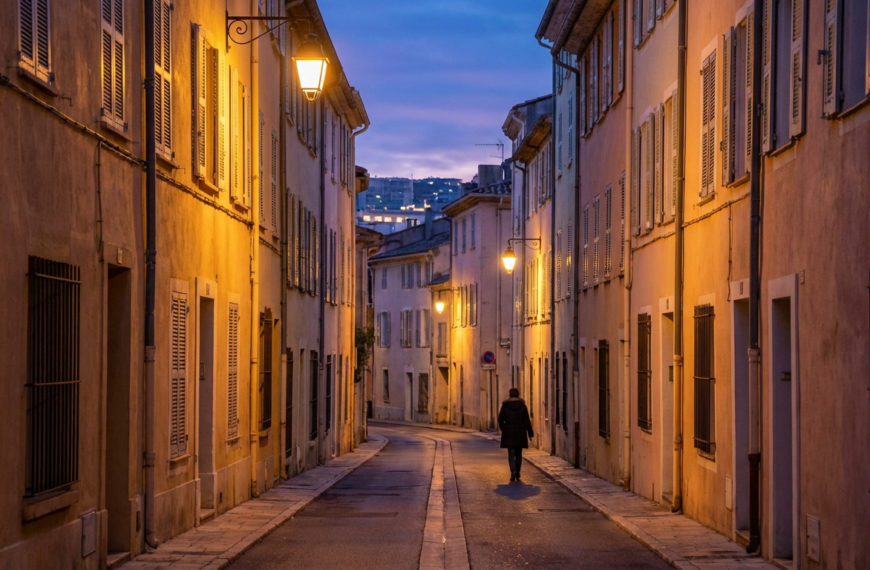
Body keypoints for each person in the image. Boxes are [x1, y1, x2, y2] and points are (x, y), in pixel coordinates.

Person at [498, 387, 534, 482]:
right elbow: (527, 420)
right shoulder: (522, 406)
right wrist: (530, 433)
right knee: (518, 454)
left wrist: (504, 429)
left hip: (509, 433)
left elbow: (500, 419)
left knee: (511, 453)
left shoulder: (505, 406)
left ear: (510, 394)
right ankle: (517, 471)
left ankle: (513, 471)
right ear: (518, 394)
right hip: (520, 432)